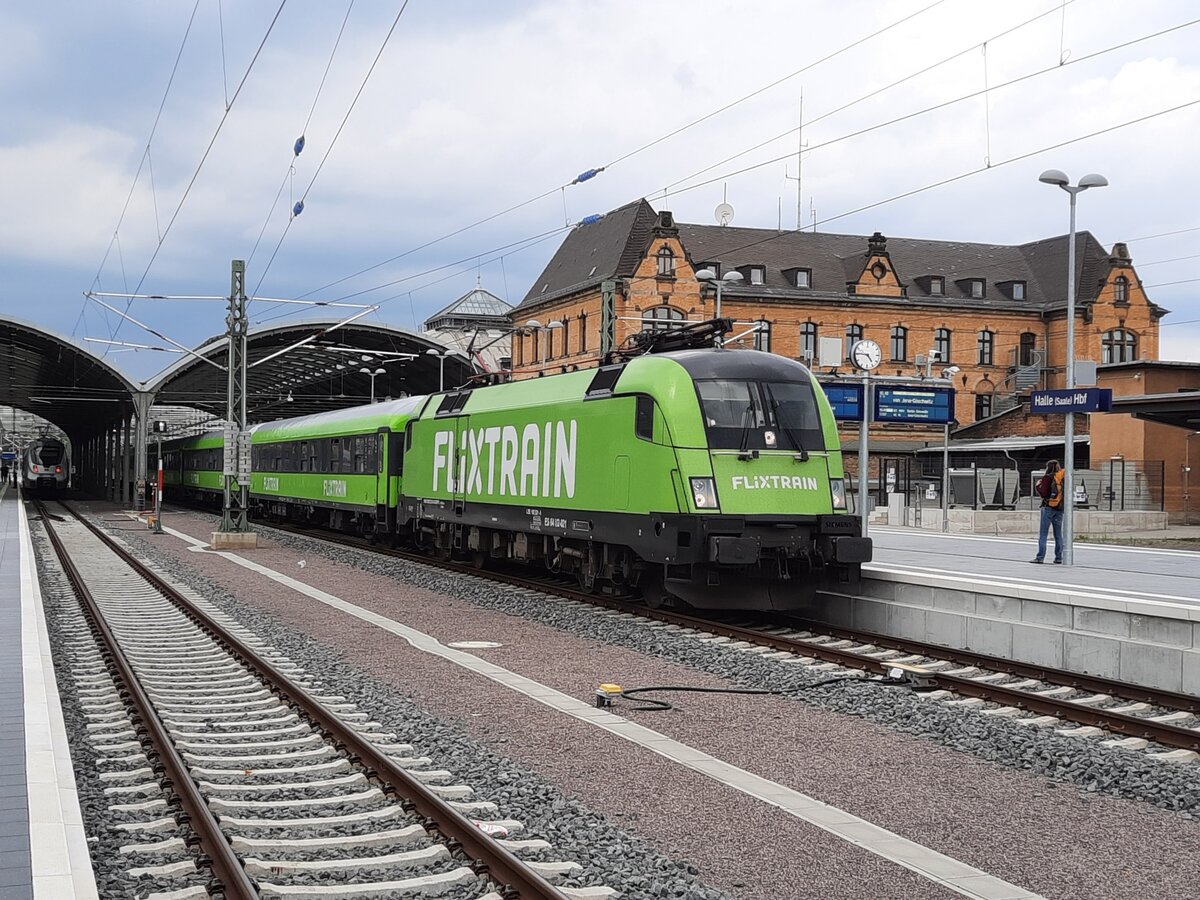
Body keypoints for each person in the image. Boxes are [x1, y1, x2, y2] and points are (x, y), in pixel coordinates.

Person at [1031, 459, 1065, 564]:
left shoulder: (1047, 478)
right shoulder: (1063, 478)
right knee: (1058, 535)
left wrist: (1037, 486)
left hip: (1048, 507)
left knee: (1043, 534)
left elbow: (1044, 493)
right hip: (1059, 508)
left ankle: (1040, 557)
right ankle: (1058, 557)